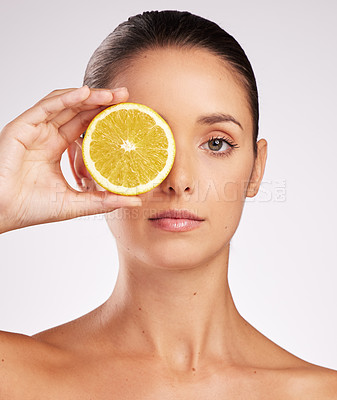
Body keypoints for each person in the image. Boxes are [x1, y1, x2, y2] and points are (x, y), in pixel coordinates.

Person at [0, 9, 336, 398]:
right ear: (86, 165)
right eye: (143, 145)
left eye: (216, 143)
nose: (179, 181)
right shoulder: (14, 375)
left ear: (256, 170)